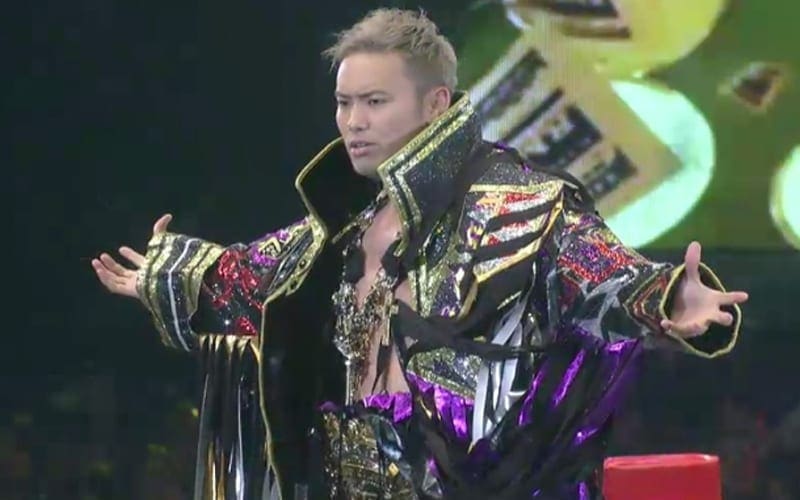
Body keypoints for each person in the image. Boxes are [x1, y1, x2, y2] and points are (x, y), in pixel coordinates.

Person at [92, 8, 748, 499]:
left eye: (375, 102)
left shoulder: (516, 204)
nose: (353, 121)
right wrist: (169, 272)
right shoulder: (342, 227)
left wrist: (669, 297)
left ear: (436, 104)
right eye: (344, 103)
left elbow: (601, 269)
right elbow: (251, 278)